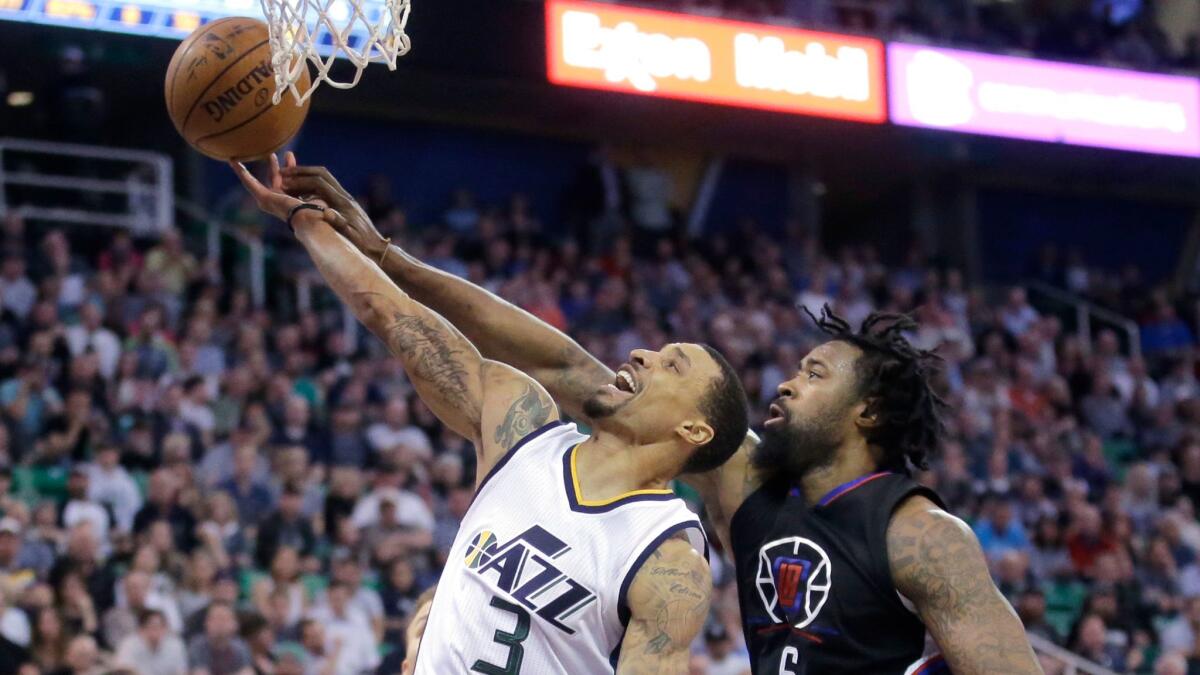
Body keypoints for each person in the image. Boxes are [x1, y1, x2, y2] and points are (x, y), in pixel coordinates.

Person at [276, 162, 1042, 673]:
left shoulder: (920, 534)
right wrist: (386, 254)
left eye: (812, 374)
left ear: (865, 410)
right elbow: (566, 365)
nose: (784, 385)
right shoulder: (744, 478)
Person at [233, 155, 750, 673]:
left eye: (672, 365)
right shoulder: (521, 425)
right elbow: (393, 316)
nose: (643, 355)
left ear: (694, 429)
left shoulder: (667, 560)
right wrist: (308, 223)